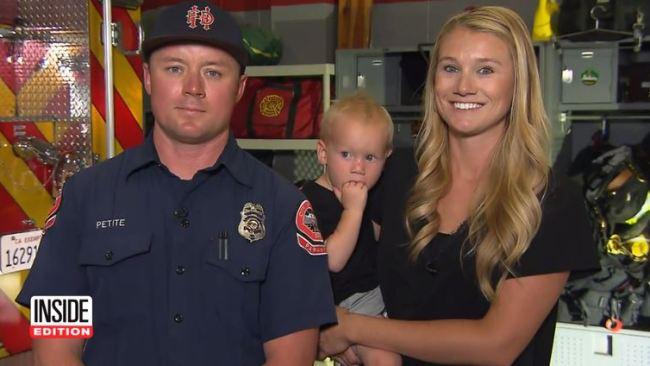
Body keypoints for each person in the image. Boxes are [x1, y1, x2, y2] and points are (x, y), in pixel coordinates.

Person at [17, 1, 336, 365]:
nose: (193, 87)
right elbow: (54, 344)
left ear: (240, 87)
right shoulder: (84, 196)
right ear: (149, 78)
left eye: (213, 73)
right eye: (174, 68)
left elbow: (290, 358)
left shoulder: (283, 208)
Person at [318, 6, 600, 366]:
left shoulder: (551, 202)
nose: (464, 86)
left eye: (485, 70)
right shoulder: (395, 173)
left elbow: (495, 346)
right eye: (450, 68)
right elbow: (343, 265)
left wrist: (353, 328)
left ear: (518, 83)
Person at [301, 93, 401, 365]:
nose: (358, 168)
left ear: (386, 159)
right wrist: (353, 211)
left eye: (370, 157)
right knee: (386, 359)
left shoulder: (364, 191)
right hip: (339, 304)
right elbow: (332, 260)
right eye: (346, 154)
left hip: (373, 295)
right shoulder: (308, 201)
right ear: (323, 153)